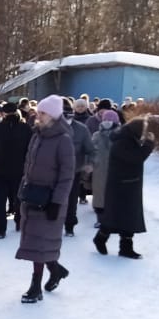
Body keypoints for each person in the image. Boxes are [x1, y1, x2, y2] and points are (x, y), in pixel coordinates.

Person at [15, 94, 75, 303]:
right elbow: (28, 165)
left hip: (50, 200)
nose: (38, 116)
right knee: (36, 242)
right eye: (38, 112)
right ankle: (56, 270)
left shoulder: (63, 140)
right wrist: (23, 190)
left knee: (40, 244)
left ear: (54, 116)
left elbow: (67, 175)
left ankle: (36, 287)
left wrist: (57, 202)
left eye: (43, 113)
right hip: (32, 196)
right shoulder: (37, 135)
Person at [94, 116, 155, 259]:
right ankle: (101, 238)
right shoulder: (122, 142)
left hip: (130, 185)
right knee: (115, 217)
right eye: (144, 130)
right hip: (120, 187)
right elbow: (136, 158)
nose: (144, 134)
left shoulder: (128, 139)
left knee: (129, 218)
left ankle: (126, 248)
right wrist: (149, 144)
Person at [0, 106, 32, 239]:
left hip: (0, 170)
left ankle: (0, 229)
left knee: (0, 201)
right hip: (20, 169)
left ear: (3, 114)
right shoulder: (25, 128)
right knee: (19, 198)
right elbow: (31, 149)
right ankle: (19, 222)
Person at [64, 98, 96, 237]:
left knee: (71, 200)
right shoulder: (51, 127)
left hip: (74, 170)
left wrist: (89, 163)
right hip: (54, 171)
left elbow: (90, 149)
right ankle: (53, 223)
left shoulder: (81, 129)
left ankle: (69, 225)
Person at [90, 109, 120, 228]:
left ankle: (114, 218)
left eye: (110, 120)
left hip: (115, 169)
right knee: (99, 195)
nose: (107, 122)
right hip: (99, 170)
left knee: (114, 194)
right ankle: (100, 219)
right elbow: (91, 150)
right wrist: (92, 161)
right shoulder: (97, 135)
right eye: (105, 119)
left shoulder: (120, 135)